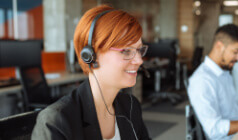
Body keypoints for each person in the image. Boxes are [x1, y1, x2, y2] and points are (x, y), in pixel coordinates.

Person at [32, 5, 150, 140]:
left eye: (139, 50)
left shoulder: (130, 106)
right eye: (126, 51)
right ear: (91, 55)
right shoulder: (57, 121)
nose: (139, 60)